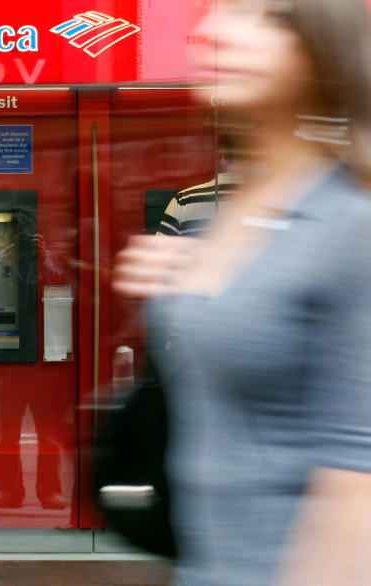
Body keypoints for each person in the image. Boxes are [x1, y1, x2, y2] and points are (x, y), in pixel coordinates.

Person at [114, 0, 371, 584]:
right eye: (218, 12)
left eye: (262, 14)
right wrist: (185, 285)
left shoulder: (351, 223)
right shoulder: (234, 208)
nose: (213, 33)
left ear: (321, 46)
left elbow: (357, 481)